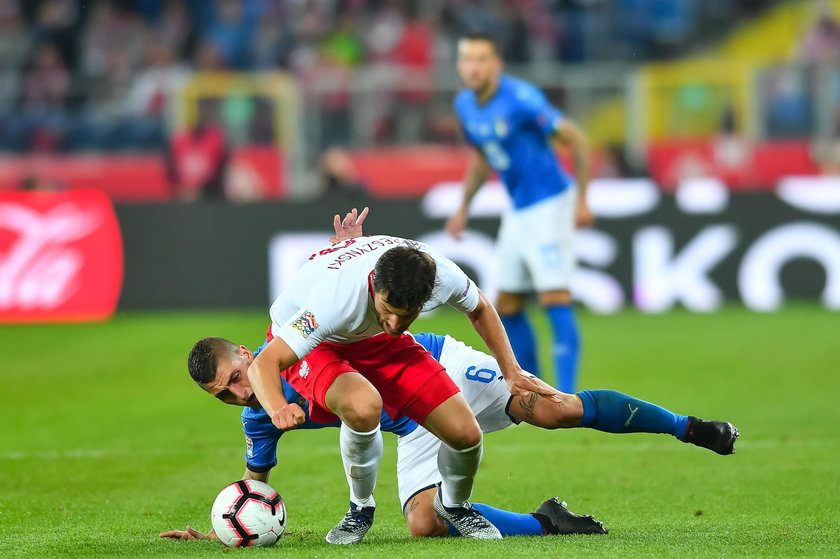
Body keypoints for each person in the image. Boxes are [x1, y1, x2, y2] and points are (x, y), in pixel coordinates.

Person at [162, 328, 737, 542]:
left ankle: (688, 428)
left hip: (434, 371)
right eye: (226, 393)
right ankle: (548, 522)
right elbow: (254, 486)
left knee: (552, 410)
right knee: (423, 523)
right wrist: (222, 529)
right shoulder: (258, 417)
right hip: (406, 423)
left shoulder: (296, 340)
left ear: (245, 353)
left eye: (237, 378)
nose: (240, 393)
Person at [225, 208, 557, 543]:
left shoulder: (439, 275)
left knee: (466, 435)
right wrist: (279, 406)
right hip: (318, 346)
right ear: (374, 286)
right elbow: (265, 363)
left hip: (373, 340)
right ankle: (360, 508)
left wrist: (511, 371)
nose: (397, 325)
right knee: (362, 404)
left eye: (407, 315)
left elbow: (480, 307)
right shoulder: (335, 301)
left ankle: (455, 505)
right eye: (388, 311)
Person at [445, 31, 592, 394]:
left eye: (482, 59)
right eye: (467, 60)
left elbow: (576, 138)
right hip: (519, 209)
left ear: (496, 65)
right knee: (506, 303)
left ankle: (568, 395)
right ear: (460, 66)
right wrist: (463, 207)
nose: (474, 67)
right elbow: (482, 157)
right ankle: (536, 386)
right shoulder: (465, 105)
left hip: (550, 202)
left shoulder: (521, 99)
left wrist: (584, 199)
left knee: (553, 296)